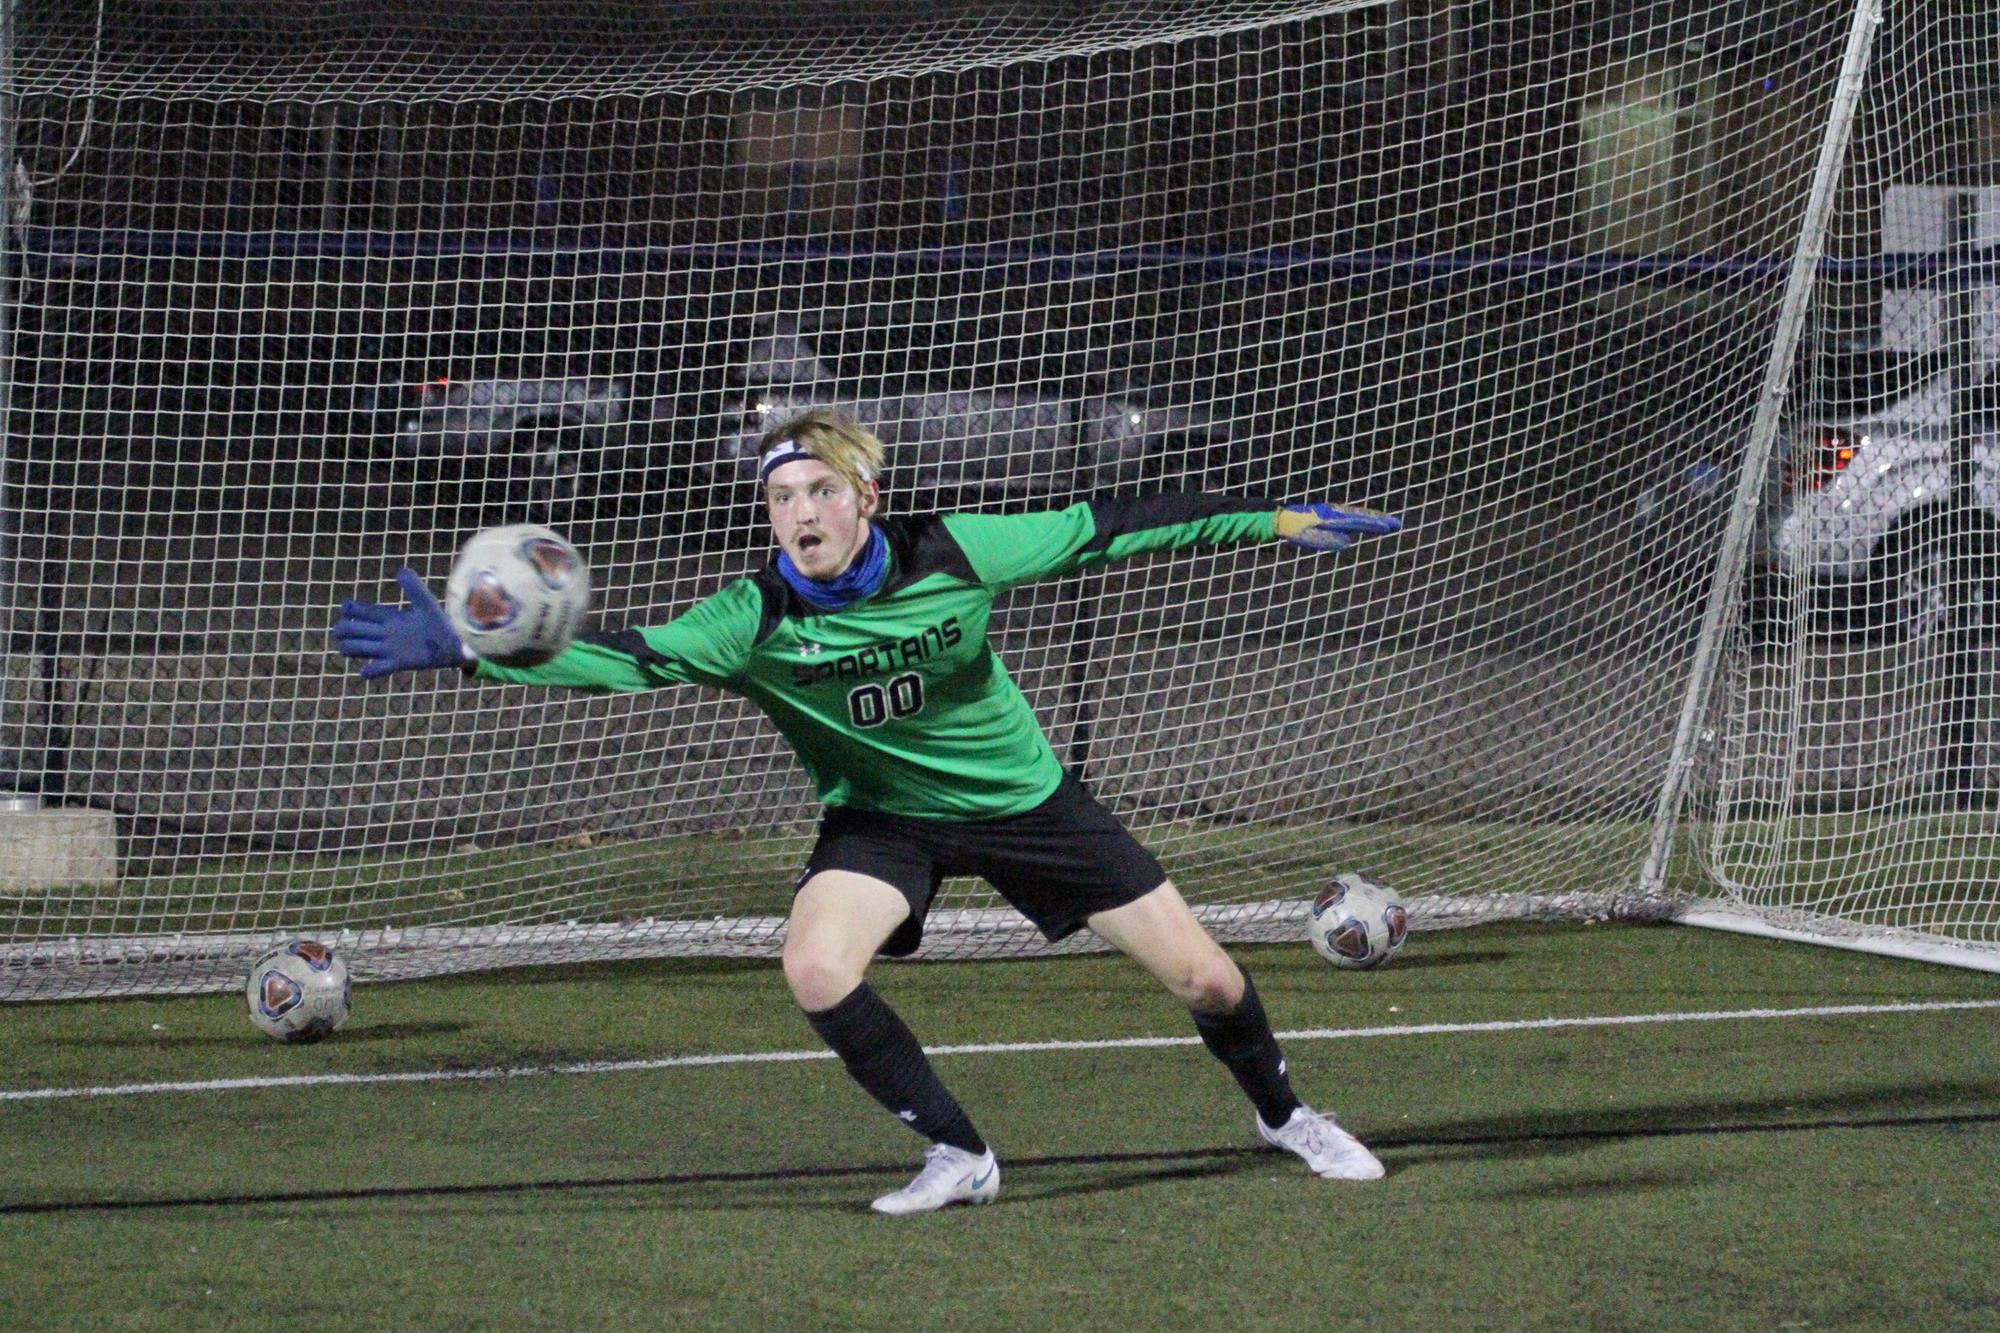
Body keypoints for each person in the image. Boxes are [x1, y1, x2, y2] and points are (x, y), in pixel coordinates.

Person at [334, 407, 1402, 1214]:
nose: (799, 513)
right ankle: (959, 1155)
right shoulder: (752, 618)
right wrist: (473, 654)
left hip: (1024, 802)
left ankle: (1284, 1116)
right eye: (780, 497)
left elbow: (1113, 527)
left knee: (1206, 977)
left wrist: (1275, 518)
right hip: (880, 818)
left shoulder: (958, 551)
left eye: (819, 491)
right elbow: (630, 661)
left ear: (865, 496)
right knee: (813, 965)